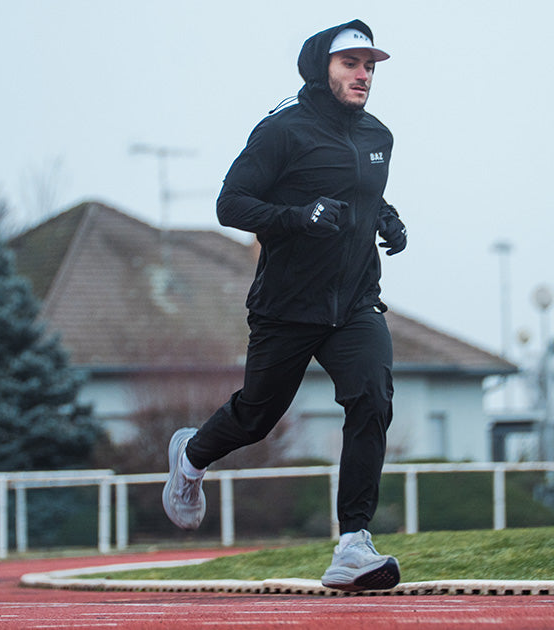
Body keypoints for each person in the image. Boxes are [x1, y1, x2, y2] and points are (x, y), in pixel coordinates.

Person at [162, 19, 407, 592]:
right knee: (257, 415)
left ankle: (352, 545)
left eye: (370, 66)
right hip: (287, 306)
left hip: (355, 305)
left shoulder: (378, 137)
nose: (364, 75)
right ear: (321, 66)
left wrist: (386, 218)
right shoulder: (281, 131)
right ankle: (192, 456)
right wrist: (298, 218)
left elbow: (361, 191)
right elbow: (231, 204)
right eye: (352, 64)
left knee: (372, 397)